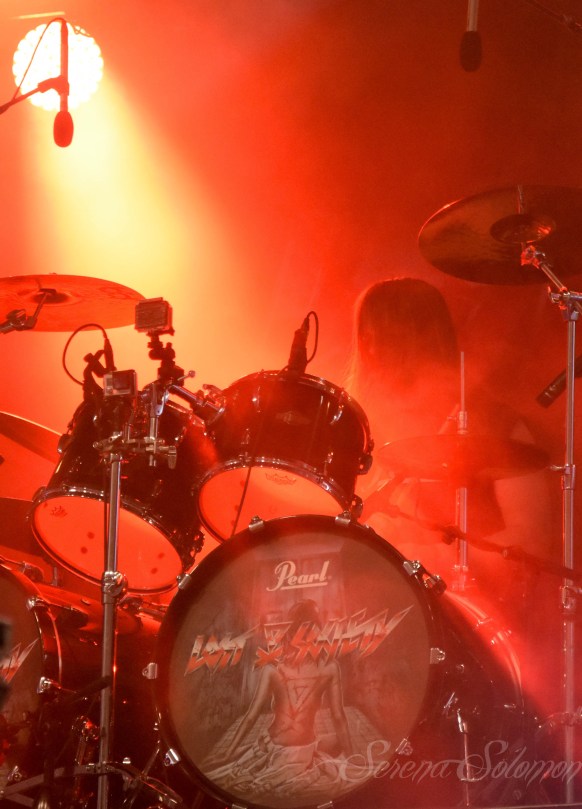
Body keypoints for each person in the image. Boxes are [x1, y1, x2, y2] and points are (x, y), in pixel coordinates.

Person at [346, 277, 558, 717]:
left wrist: (431, 555)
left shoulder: (493, 426)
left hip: (472, 641)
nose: (368, 349)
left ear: (419, 336)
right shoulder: (356, 433)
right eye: (365, 336)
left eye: (381, 333)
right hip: (367, 634)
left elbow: (531, 549)